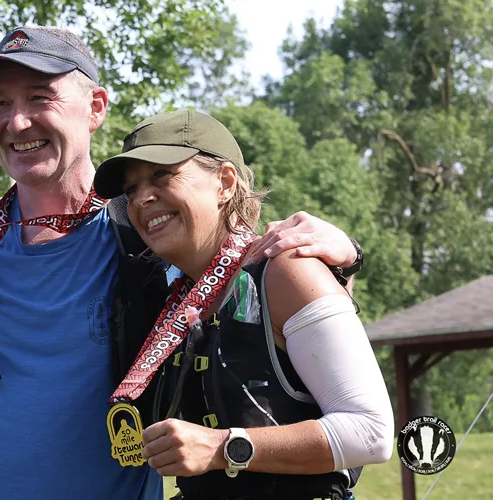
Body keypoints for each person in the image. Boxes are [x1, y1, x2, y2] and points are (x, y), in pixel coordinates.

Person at [0, 27, 365, 500]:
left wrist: (343, 254)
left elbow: (246, 261)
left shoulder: (147, 236)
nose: (17, 122)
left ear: (95, 108)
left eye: (40, 98)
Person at [92, 109, 394, 500]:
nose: (141, 198)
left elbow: (370, 433)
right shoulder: (175, 303)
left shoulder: (288, 269)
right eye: (130, 190)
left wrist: (222, 448)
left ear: (225, 182)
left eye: (161, 175)